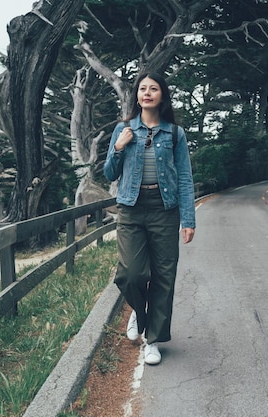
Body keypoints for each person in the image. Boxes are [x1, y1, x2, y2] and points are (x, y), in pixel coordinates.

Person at [104, 72, 196, 365]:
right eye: (142, 88)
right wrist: (118, 148)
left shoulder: (175, 133)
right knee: (131, 274)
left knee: (163, 277)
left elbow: (184, 177)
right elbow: (108, 173)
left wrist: (188, 219)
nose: (147, 93)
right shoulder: (123, 129)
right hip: (131, 208)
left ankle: (153, 339)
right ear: (137, 96)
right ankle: (140, 314)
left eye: (153, 88)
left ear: (162, 96)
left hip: (164, 210)